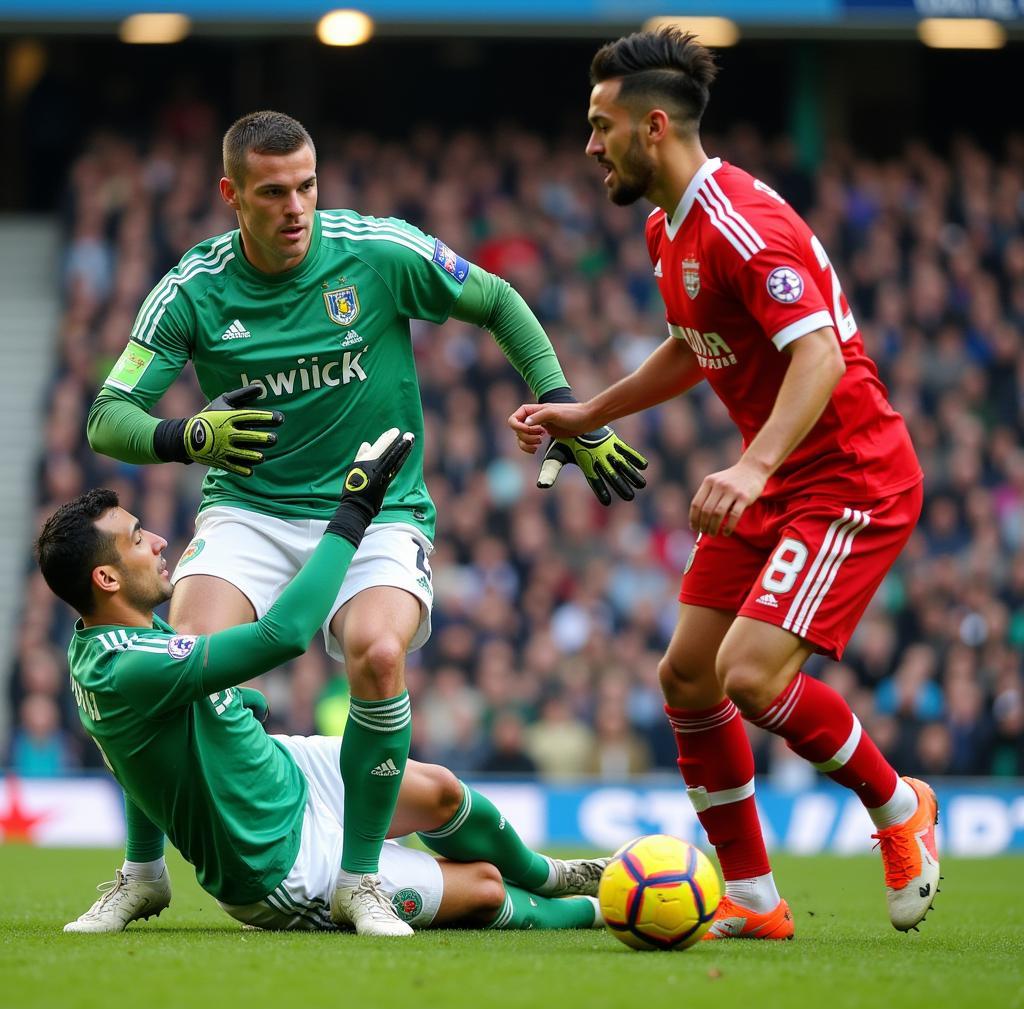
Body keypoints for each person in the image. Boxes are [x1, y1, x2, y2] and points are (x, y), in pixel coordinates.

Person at [86, 110, 645, 935]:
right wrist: (188, 435)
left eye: (307, 186)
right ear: (230, 195)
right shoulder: (193, 289)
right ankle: (142, 873)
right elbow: (109, 414)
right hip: (250, 510)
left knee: (378, 654)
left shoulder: (377, 251)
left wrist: (561, 399)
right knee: (185, 660)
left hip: (379, 508)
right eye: (273, 192)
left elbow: (494, 299)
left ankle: (360, 879)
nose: (295, 207)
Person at [510, 28, 939, 938]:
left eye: (601, 126)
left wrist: (751, 464)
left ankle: (899, 806)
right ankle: (751, 897)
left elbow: (817, 352)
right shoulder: (668, 226)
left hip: (848, 478)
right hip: (782, 478)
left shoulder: (744, 219)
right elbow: (693, 344)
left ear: (652, 126)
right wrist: (593, 413)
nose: (589, 147)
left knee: (747, 674)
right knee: (689, 674)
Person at [40, 435, 606, 936]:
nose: (160, 540)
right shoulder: (130, 668)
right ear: (107, 578)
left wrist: (236, 701)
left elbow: (146, 753)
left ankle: (555, 874)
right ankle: (599, 911)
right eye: (138, 539)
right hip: (280, 864)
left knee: (442, 791)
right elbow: (282, 636)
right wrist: (353, 512)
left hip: (283, 771)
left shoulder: (106, 642)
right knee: (481, 886)